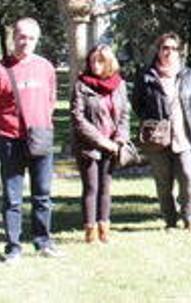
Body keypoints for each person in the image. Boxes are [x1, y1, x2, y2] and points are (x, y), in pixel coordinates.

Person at [0, 18, 60, 262]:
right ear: (13, 37)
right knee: (13, 198)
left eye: (31, 38)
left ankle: (43, 241)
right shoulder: (3, 68)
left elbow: (52, 100)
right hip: (10, 140)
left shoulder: (46, 67)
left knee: (43, 194)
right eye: (22, 37)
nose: (26, 42)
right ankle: (14, 247)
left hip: (41, 137)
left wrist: (42, 122)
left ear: (38, 39)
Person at [132, 32, 191, 231]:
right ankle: (170, 220)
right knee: (163, 183)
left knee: (189, 177)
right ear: (159, 50)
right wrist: (153, 122)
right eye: (165, 48)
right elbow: (137, 104)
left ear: (179, 51)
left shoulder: (189, 75)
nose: (169, 52)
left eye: (173, 48)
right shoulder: (146, 76)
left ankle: (189, 217)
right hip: (158, 138)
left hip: (185, 135)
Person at [71, 44, 130, 243]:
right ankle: (90, 231)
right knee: (91, 187)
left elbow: (124, 115)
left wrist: (120, 139)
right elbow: (78, 119)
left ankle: (104, 228)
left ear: (109, 62)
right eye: (92, 60)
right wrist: (103, 142)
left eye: (100, 61)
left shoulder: (118, 84)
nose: (95, 65)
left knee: (106, 187)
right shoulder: (81, 84)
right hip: (88, 146)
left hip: (113, 145)